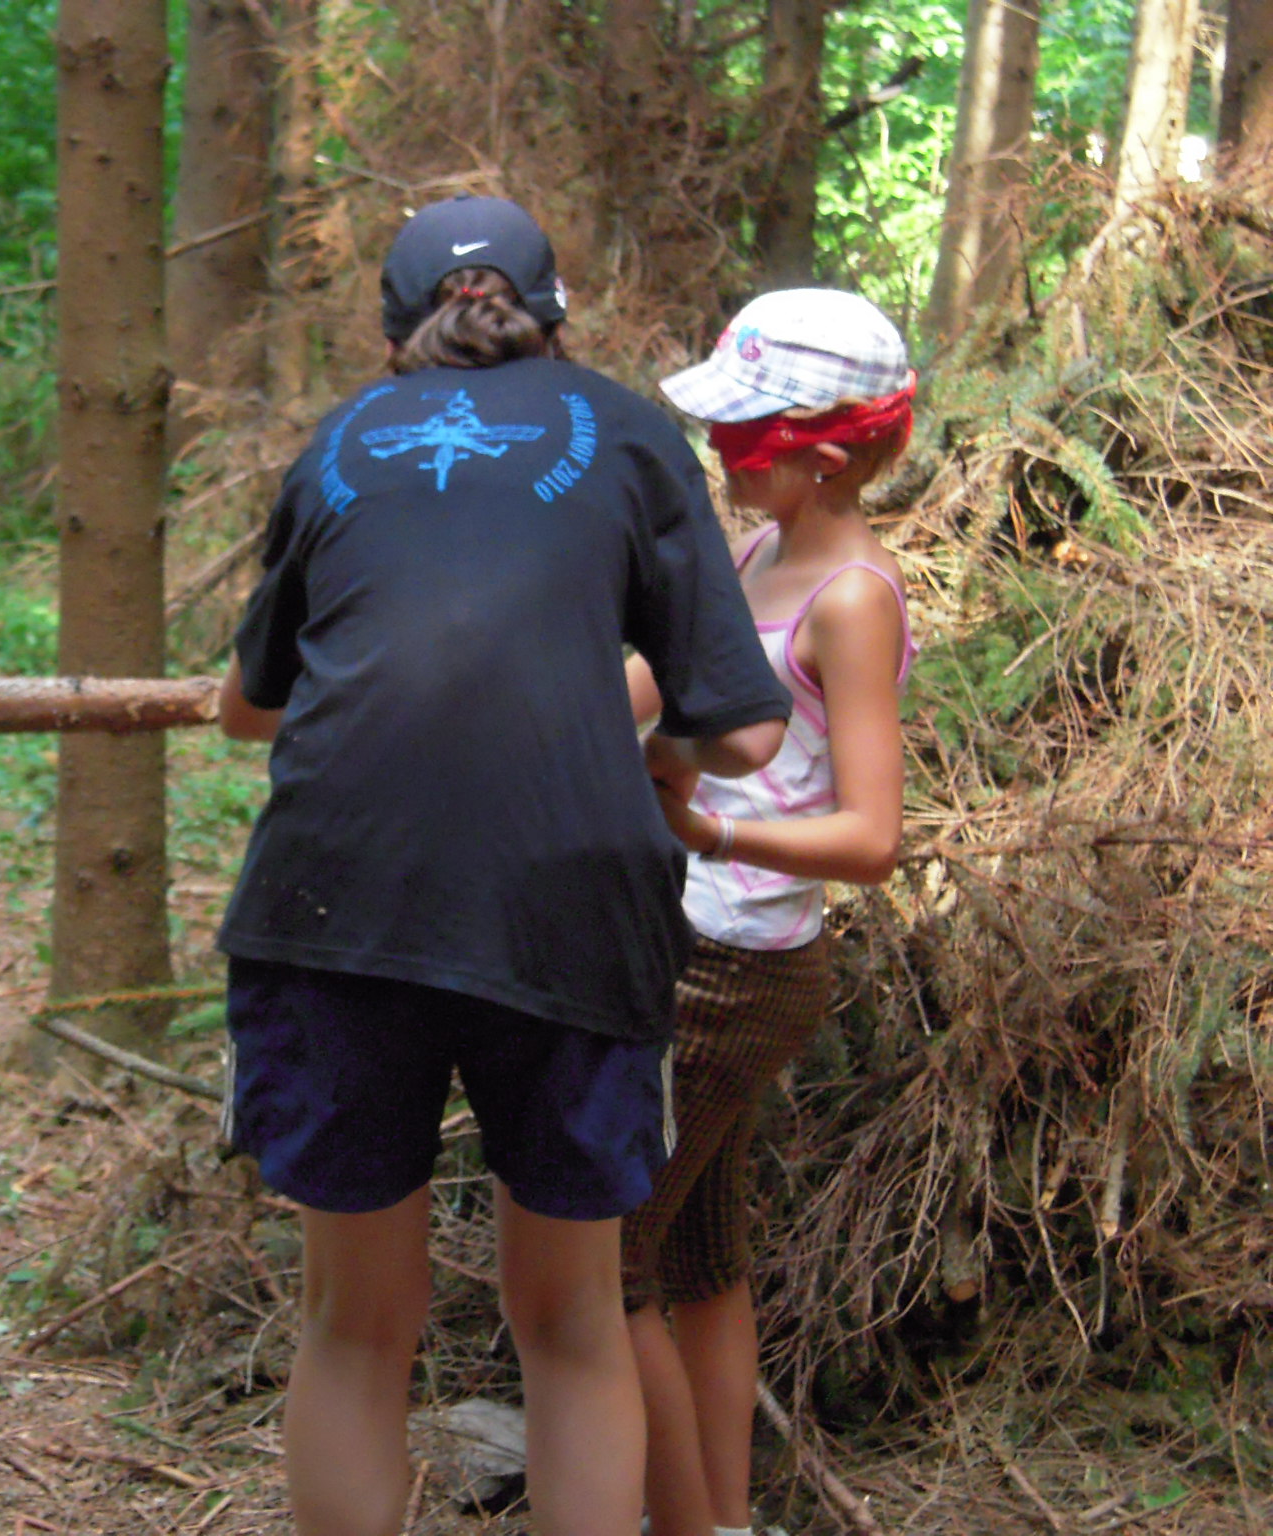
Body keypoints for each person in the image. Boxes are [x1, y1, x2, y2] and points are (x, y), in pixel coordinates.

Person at [214, 194, 791, 1536]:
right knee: (574, 1324)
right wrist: (640, 735)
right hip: (569, 898)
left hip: (337, 900)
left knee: (353, 1326)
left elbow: (249, 706)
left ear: (392, 330)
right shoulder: (631, 433)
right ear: (554, 319)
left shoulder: (340, 440)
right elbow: (747, 729)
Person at [621, 288, 919, 1536]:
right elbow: (657, 689)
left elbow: (870, 836)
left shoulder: (850, 597)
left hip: (730, 961)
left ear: (825, 456)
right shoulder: (753, 553)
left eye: (742, 437)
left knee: (605, 1266)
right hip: (691, 935)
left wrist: (714, 834)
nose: (719, 453)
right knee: (699, 1261)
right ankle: (725, 1518)